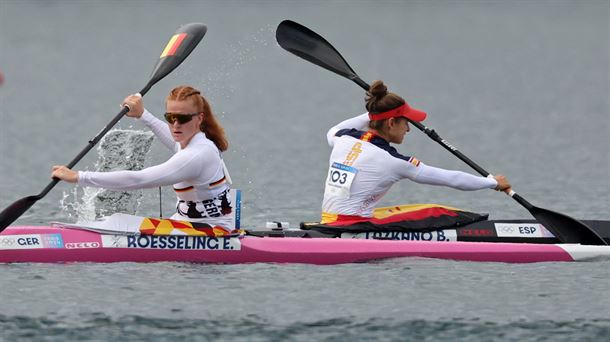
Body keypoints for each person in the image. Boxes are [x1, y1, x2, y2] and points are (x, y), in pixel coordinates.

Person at [320, 80, 511, 225]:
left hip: (328, 221)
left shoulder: (341, 138)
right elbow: (451, 179)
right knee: (437, 212)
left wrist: (376, 110)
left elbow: (336, 127)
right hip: (355, 226)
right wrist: (492, 183)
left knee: (412, 209)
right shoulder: (393, 161)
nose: (409, 130)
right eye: (406, 123)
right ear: (392, 123)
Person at [52, 85, 235, 229]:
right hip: (188, 226)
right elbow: (173, 141)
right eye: (171, 117)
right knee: (116, 221)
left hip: (212, 232)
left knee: (120, 223)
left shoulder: (197, 155)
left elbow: (139, 179)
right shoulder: (192, 141)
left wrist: (79, 177)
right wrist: (142, 114)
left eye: (183, 118)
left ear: (199, 118)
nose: (176, 125)